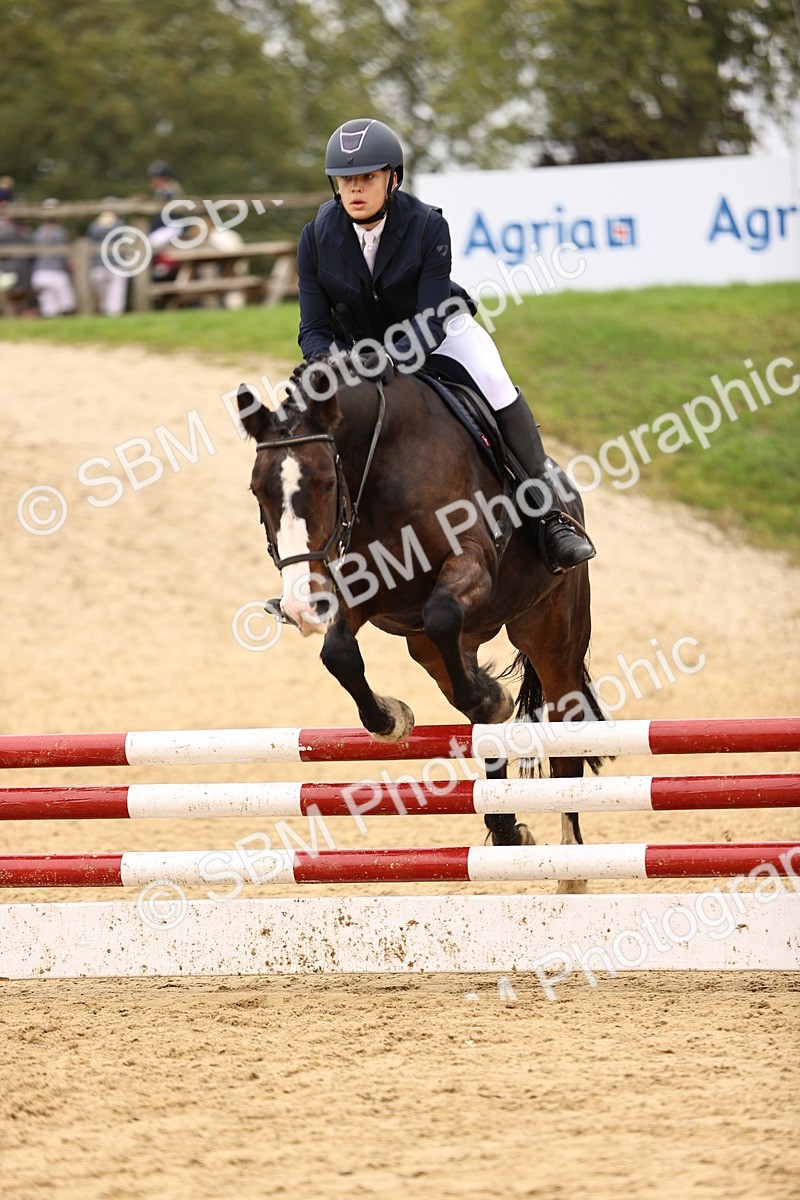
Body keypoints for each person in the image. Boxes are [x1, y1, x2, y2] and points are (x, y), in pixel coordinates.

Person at [297, 118, 595, 573]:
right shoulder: (316, 238)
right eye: (345, 179)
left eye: (367, 177)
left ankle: (549, 514)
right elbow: (313, 328)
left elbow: (429, 321)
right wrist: (329, 362)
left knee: (494, 382)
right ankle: (307, 563)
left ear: (392, 178)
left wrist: (389, 357)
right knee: (308, 422)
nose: (354, 189)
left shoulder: (426, 226)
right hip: (359, 349)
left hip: (439, 335)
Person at [31, 205, 75, 318]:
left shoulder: (37, 233)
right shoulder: (60, 232)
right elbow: (63, 254)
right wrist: (69, 264)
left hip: (39, 273)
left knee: (49, 308)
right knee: (67, 306)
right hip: (57, 273)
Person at [86, 207, 128, 316]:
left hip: (100, 266)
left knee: (107, 294)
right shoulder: (120, 225)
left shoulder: (94, 226)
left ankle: (107, 312)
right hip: (112, 265)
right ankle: (111, 313)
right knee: (115, 293)